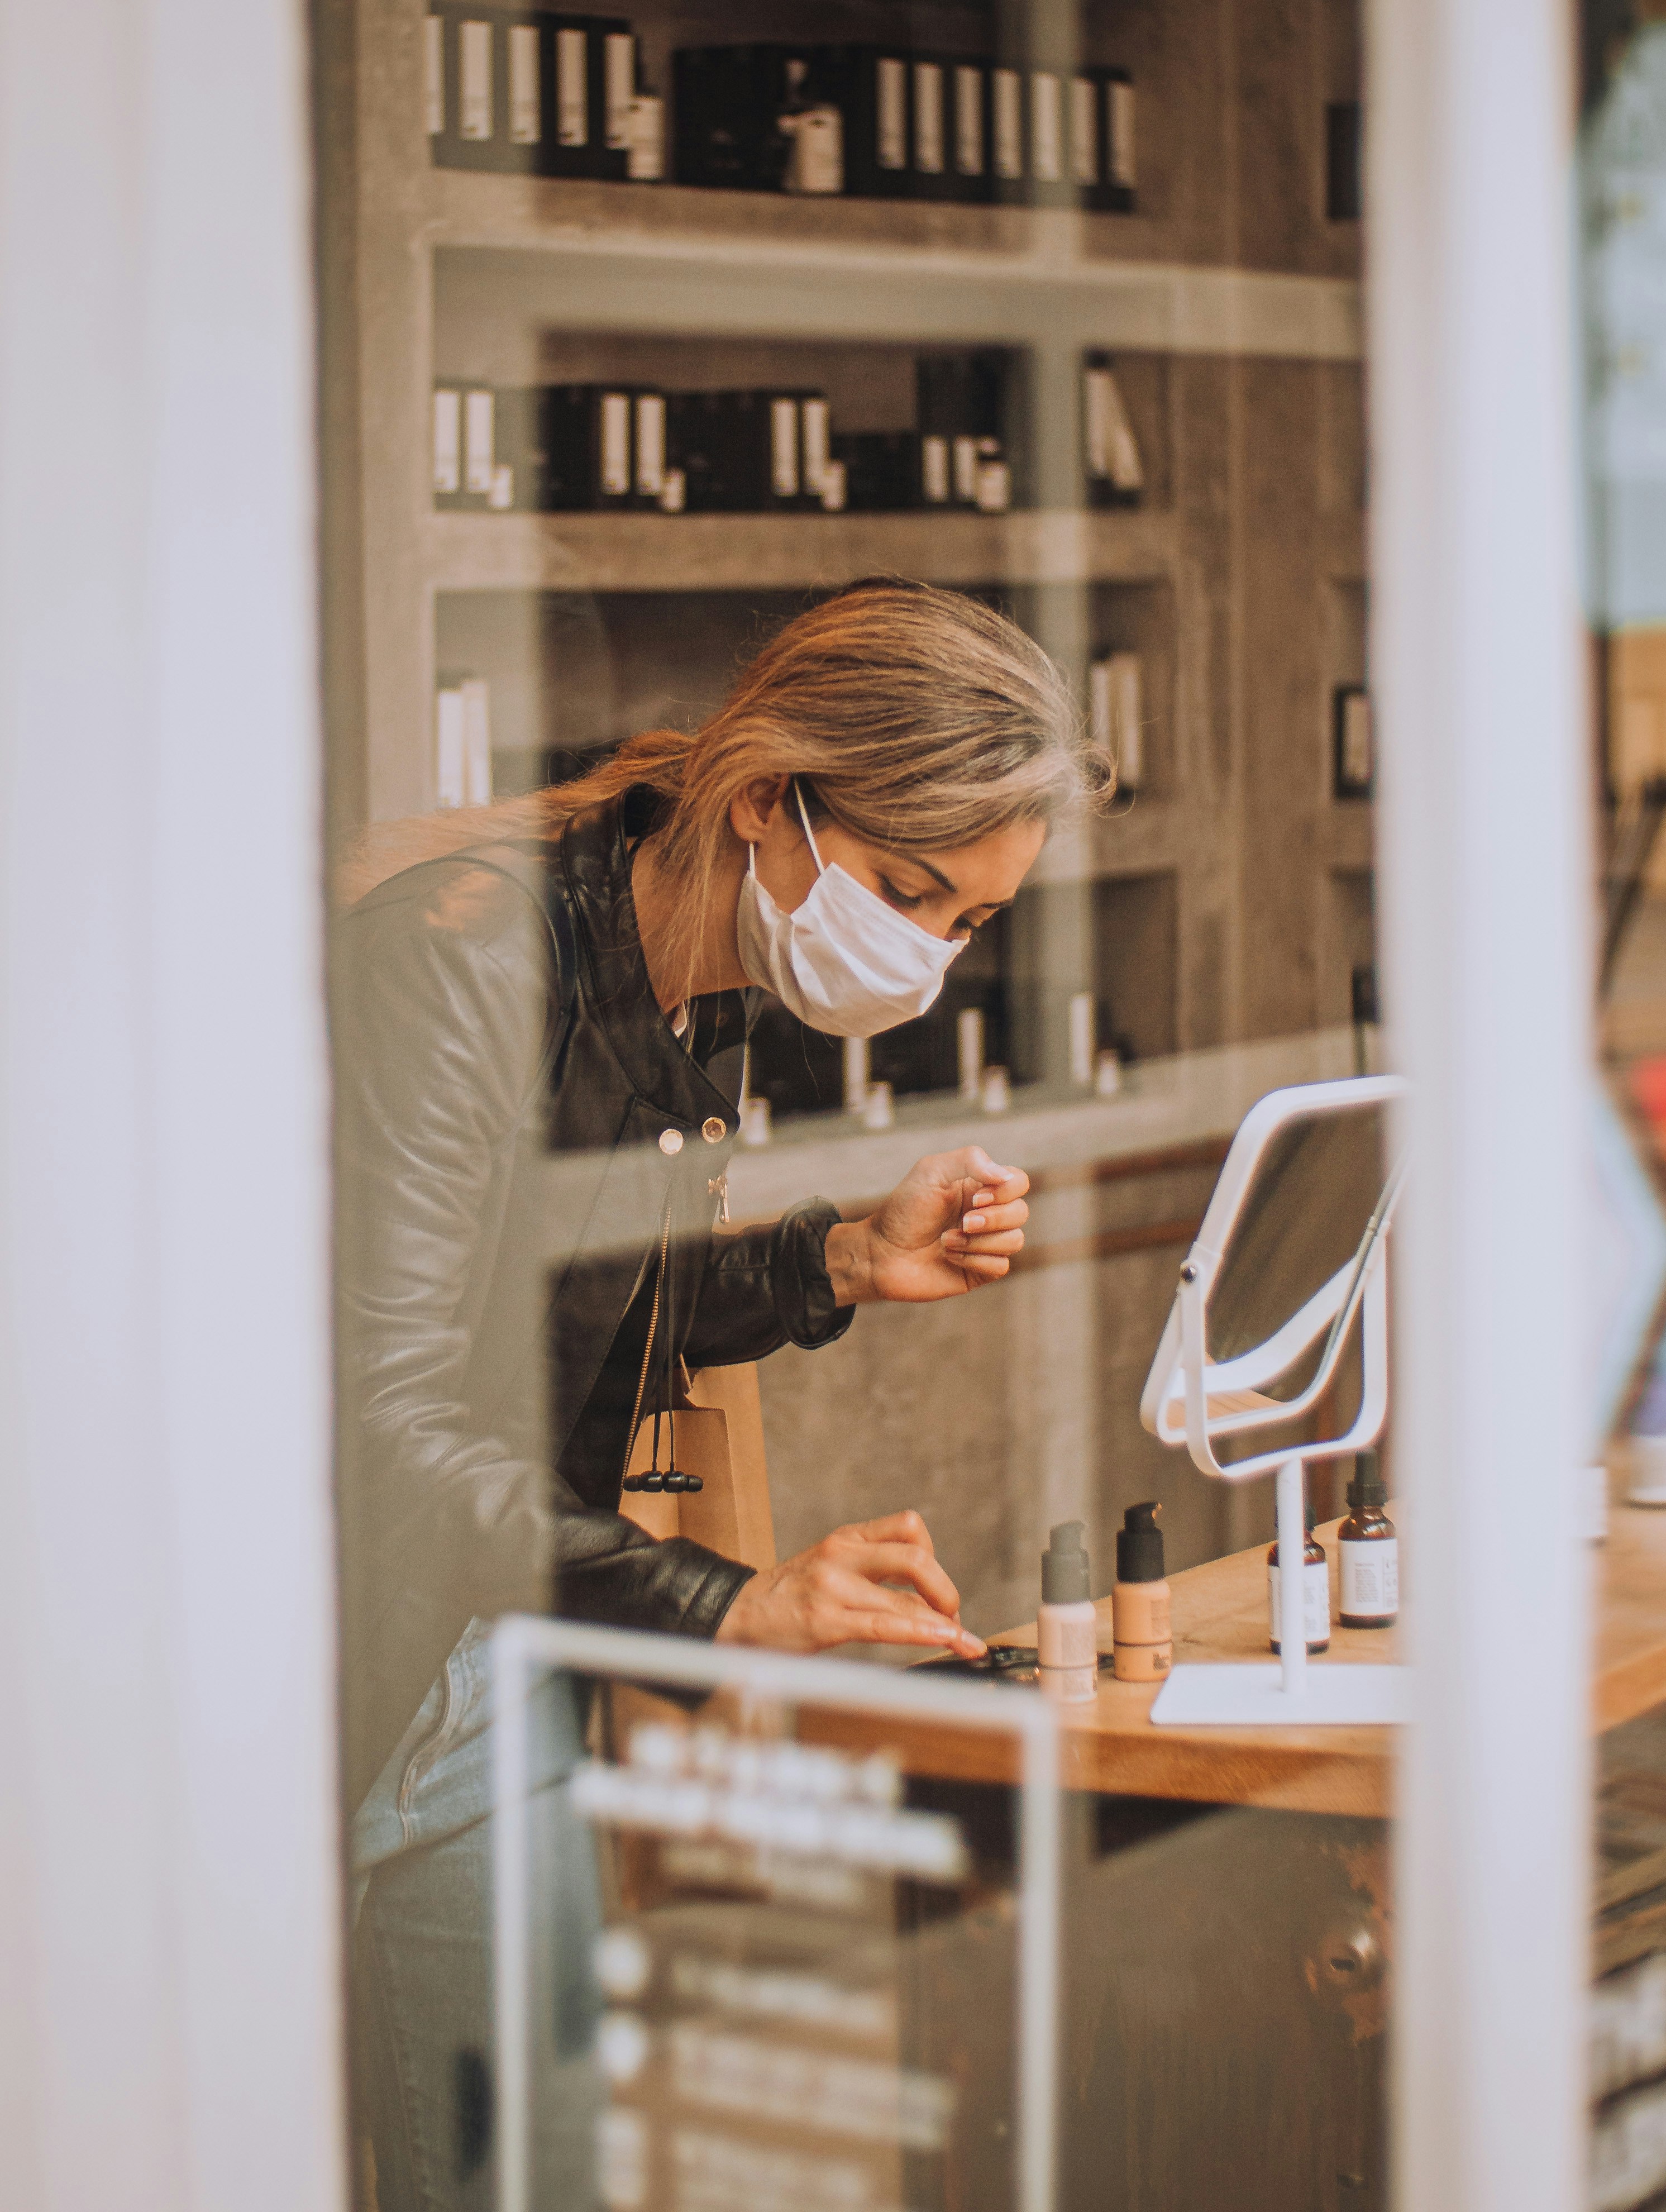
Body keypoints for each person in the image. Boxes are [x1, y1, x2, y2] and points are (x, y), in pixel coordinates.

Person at [333, 578, 1108, 2210]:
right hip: (368, 1659)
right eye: (912, 893)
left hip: (503, 1618)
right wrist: (734, 1606)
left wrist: (839, 1261)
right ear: (769, 801)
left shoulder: (688, 954)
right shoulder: (467, 967)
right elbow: (383, 1419)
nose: (928, 955)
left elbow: (576, 1295)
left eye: (969, 925)